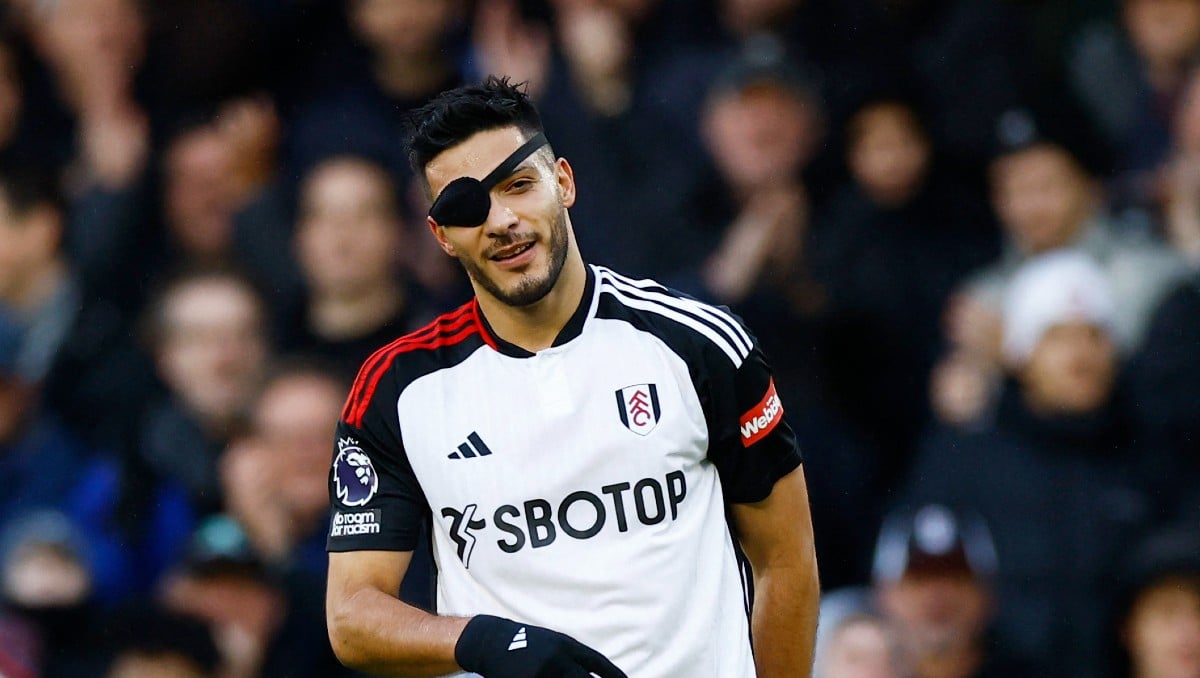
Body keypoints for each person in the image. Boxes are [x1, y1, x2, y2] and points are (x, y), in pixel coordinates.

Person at [324, 76, 819, 677]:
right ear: (441, 236)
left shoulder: (695, 345)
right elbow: (351, 616)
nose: (502, 220)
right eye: (466, 207)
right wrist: (485, 641)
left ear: (564, 181)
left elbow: (786, 564)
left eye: (519, 185)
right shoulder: (399, 387)